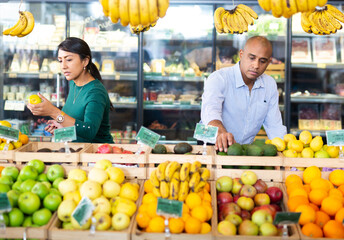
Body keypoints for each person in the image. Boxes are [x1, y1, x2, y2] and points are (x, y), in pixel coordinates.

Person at [201, 36, 286, 152]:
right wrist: (221, 133)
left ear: (269, 62)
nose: (256, 65)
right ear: (241, 54)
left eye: (262, 61)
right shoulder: (219, 78)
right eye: (251, 58)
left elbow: (274, 126)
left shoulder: (269, 85)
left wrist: (286, 154)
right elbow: (210, 112)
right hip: (209, 144)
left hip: (242, 150)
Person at [27, 37, 114, 143]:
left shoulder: (95, 92)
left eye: (68, 60)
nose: (63, 66)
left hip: (96, 155)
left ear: (85, 61)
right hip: (75, 153)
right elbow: (74, 123)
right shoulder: (73, 83)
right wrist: (61, 126)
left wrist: (53, 111)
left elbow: (89, 131)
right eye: (60, 60)